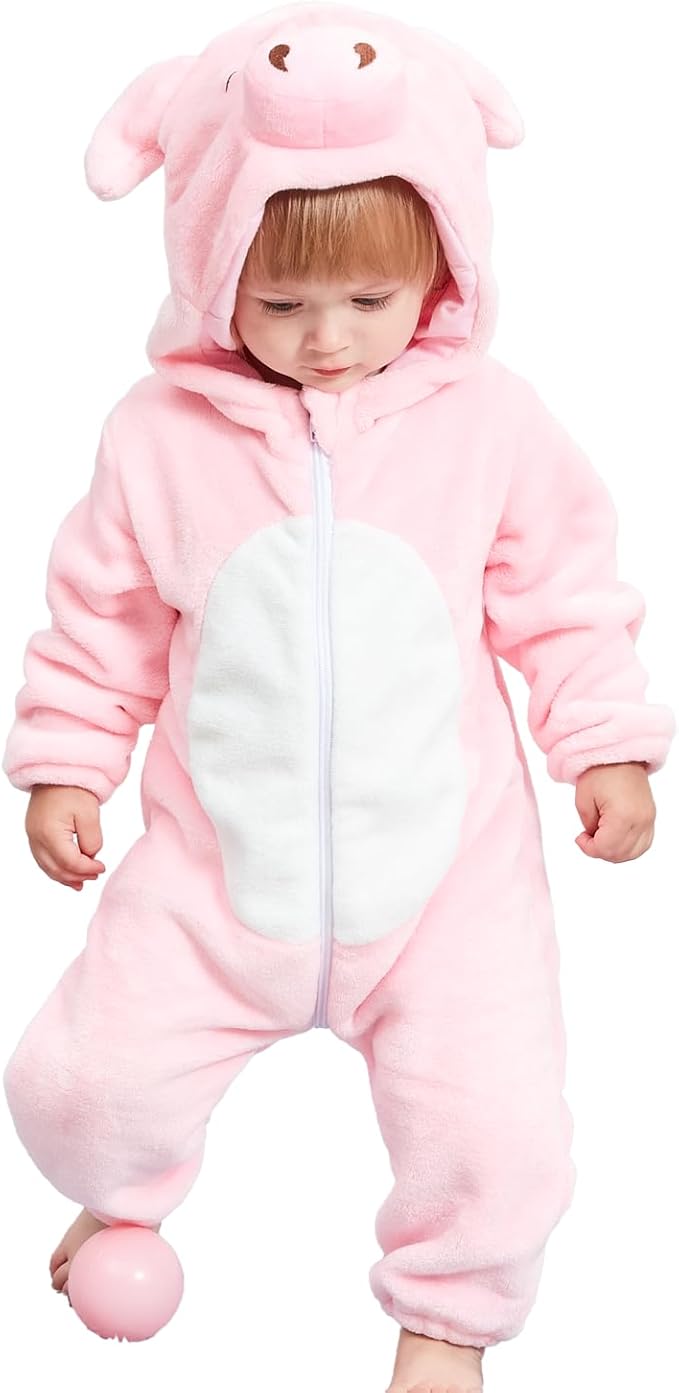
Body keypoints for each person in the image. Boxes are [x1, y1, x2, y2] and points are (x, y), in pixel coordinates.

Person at [2, 4, 675, 1390]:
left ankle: (448, 1317)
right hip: (212, 878)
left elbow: (564, 591)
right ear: (209, 270)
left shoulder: (489, 423)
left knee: (500, 1128)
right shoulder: (159, 436)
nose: (327, 340)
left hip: (447, 889)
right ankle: (115, 1194)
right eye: (280, 303)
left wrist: (604, 742)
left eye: (371, 302)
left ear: (443, 265)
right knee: (81, 1086)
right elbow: (104, 614)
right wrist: (67, 759)